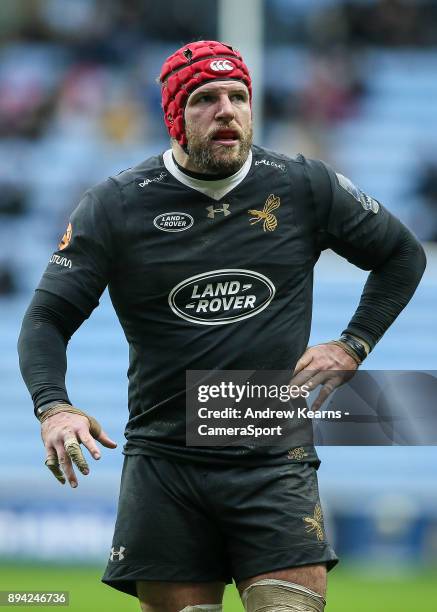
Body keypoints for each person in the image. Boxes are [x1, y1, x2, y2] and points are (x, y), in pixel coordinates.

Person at [18, 40, 426, 612]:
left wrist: (354, 343)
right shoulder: (115, 206)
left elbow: (403, 256)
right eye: (206, 99)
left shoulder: (303, 185)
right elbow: (46, 317)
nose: (227, 110)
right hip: (165, 463)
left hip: (272, 460)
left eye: (239, 96)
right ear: (174, 115)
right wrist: (53, 406)